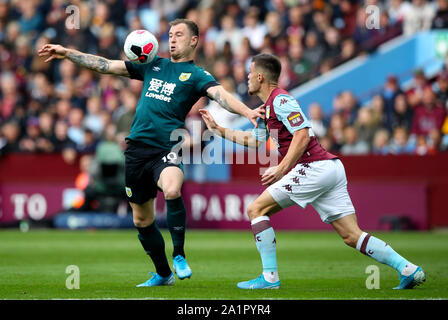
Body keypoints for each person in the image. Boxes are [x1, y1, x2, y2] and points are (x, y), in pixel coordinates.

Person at [38, 18, 262, 287]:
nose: (172, 38)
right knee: (142, 219)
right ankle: (163, 273)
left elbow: (221, 95)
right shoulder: (153, 64)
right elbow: (106, 65)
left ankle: (179, 254)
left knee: (172, 189)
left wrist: (248, 111)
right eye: (170, 34)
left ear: (194, 40)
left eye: (179, 34)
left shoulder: (197, 75)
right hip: (135, 152)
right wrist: (67, 53)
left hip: (166, 148)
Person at [199, 53, 426, 290]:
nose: (246, 77)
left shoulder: (281, 100)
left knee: (256, 209)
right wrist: (219, 130)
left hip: (314, 167)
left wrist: (282, 168)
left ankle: (269, 278)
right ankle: (409, 269)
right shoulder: (267, 108)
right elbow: (256, 141)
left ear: (260, 76)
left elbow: (302, 134)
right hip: (328, 169)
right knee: (351, 235)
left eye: (250, 72)